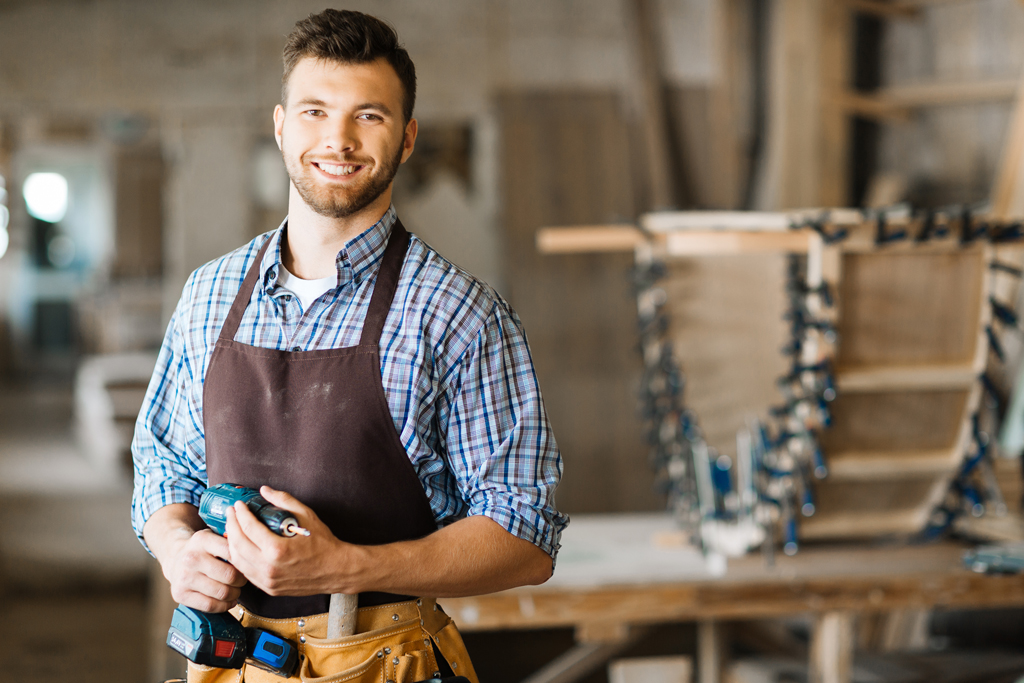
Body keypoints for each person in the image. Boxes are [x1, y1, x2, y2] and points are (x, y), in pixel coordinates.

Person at [131, 9, 567, 682]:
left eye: (369, 115)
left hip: (385, 660)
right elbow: (163, 463)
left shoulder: (458, 314)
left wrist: (350, 566)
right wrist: (177, 546)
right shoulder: (209, 294)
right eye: (314, 111)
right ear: (280, 126)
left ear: (408, 136)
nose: (337, 138)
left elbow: (525, 534)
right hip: (232, 660)